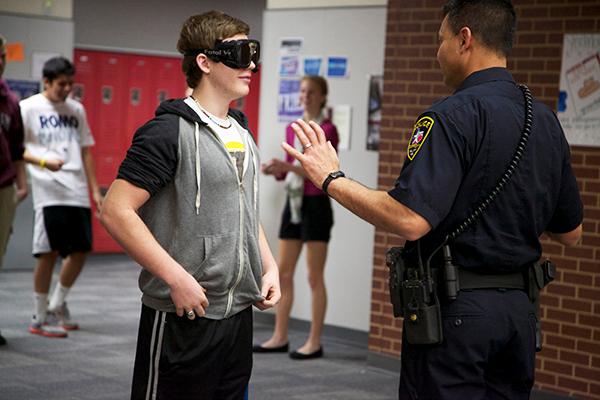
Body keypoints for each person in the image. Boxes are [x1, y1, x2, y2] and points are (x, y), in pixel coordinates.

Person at [283, 0, 583, 399]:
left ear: (465, 40)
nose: (435, 51)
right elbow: (571, 233)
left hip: (456, 315)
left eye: (440, 40)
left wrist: (331, 179)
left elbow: (410, 218)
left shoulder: (450, 116)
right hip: (519, 314)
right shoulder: (544, 120)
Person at [100, 11, 280, 400]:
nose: (251, 64)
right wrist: (175, 278)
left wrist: (269, 265)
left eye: (253, 52)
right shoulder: (166, 132)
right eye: (238, 53)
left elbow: (244, 208)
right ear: (205, 61)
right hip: (184, 314)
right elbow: (115, 210)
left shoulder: (241, 130)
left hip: (237, 316)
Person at [255, 76, 339, 359]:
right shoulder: (293, 129)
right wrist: (276, 169)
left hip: (316, 207)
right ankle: (280, 336)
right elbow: (290, 168)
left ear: (322, 96)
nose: (306, 96)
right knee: (284, 273)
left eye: (311, 92)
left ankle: (314, 341)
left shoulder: (328, 129)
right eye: (303, 91)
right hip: (293, 206)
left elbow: (321, 173)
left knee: (314, 277)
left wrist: (288, 168)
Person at [21, 56, 102, 338]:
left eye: (70, 84)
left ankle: (56, 303)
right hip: (48, 188)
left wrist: (94, 190)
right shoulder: (28, 108)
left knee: (80, 251)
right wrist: (42, 163)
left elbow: (87, 150)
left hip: (76, 188)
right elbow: (15, 149)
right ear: (46, 82)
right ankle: (39, 316)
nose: (66, 89)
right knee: (48, 252)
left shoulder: (76, 109)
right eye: (61, 84)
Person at [0, 34, 28, 346]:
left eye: (3, 56)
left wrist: (22, 184)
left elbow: (17, 148)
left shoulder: (10, 102)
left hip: (4, 187)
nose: (0, 62)